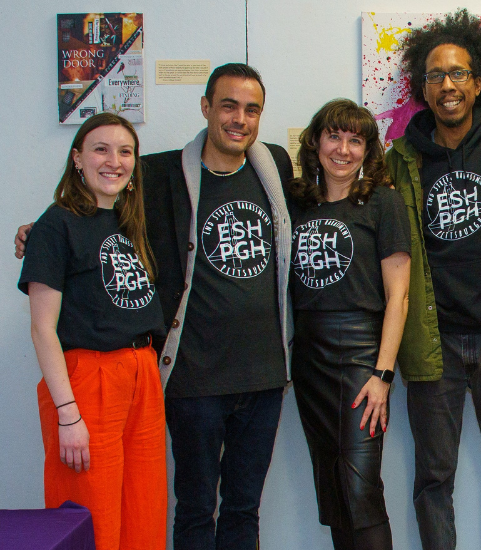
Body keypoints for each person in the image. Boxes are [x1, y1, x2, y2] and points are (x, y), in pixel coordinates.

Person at [16, 63, 294, 550]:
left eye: (252, 109)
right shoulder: (161, 173)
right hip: (191, 376)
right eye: (227, 105)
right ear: (205, 108)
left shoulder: (275, 167)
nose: (239, 119)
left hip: (263, 376)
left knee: (238, 509)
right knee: (189, 509)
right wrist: (35, 233)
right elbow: (94, 198)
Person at [385, 9, 481, 549]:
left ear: (478, 81)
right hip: (432, 343)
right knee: (433, 481)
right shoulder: (400, 159)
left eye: (459, 73)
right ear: (421, 86)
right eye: (436, 75)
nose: (447, 85)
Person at [18, 113, 167, 550]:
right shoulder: (55, 225)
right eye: (100, 149)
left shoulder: (129, 221)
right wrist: (68, 414)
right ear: (77, 159)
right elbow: (43, 329)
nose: (114, 161)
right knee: (91, 517)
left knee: (144, 511)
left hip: (141, 373)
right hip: (87, 380)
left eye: (125, 152)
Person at [286, 99, 410, 550]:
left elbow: (399, 296)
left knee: (361, 488)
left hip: (360, 356)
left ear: (367, 150)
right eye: (334, 136)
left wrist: (382, 374)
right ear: (315, 141)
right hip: (309, 359)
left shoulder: (383, 202)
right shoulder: (298, 204)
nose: (343, 149)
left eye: (355, 140)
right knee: (335, 488)